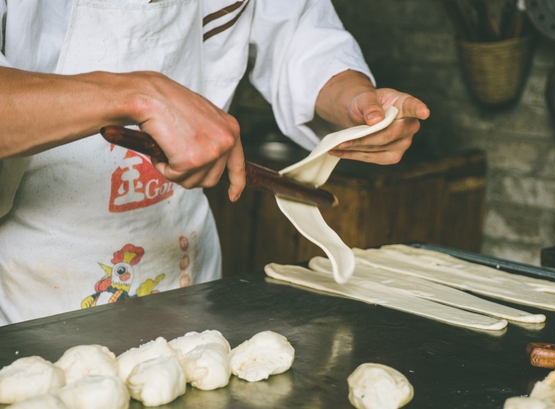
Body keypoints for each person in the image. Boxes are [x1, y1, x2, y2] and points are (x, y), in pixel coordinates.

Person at [0, 0, 429, 326]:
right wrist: (136, 94)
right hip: (26, 295)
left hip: (183, 270)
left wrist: (356, 101)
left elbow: (296, 29)